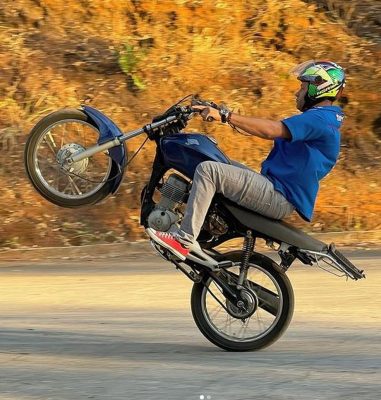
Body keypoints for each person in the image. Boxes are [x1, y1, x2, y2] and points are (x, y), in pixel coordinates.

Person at [147, 60, 346, 263]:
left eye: (302, 87)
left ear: (318, 87)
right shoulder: (324, 118)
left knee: (209, 171)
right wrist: (215, 111)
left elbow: (271, 129)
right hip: (275, 187)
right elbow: (267, 126)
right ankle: (203, 221)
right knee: (215, 160)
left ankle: (184, 241)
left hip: (279, 196)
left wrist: (225, 116)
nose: (297, 93)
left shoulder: (320, 119)